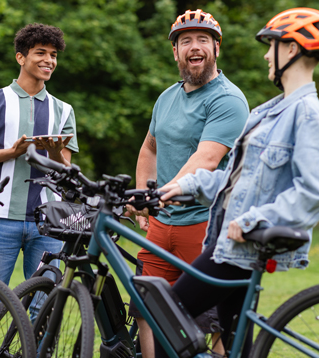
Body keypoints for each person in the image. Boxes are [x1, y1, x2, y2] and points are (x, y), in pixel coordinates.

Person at [158, 8, 319, 358]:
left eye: (270, 45)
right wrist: (186, 186)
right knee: (235, 344)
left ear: (291, 50)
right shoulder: (269, 112)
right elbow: (238, 182)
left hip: (241, 246)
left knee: (168, 313)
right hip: (231, 243)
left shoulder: (307, 114)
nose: (265, 54)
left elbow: (314, 192)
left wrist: (253, 221)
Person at [126, 9, 249, 358]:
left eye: (202, 40)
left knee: (210, 323)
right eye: (185, 41)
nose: (194, 47)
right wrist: (145, 200)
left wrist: (160, 195)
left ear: (216, 49)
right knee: (148, 309)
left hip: (205, 225)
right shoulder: (166, 98)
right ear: (175, 51)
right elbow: (149, 148)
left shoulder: (228, 100)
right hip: (161, 226)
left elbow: (205, 160)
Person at [0, 22, 78, 340]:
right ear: (20, 57)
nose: (49, 60)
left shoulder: (63, 110)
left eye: (53, 55)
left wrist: (55, 155)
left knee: (44, 308)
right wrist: (11, 152)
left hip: (49, 223)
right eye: (41, 53)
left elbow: (66, 168)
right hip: (0, 219)